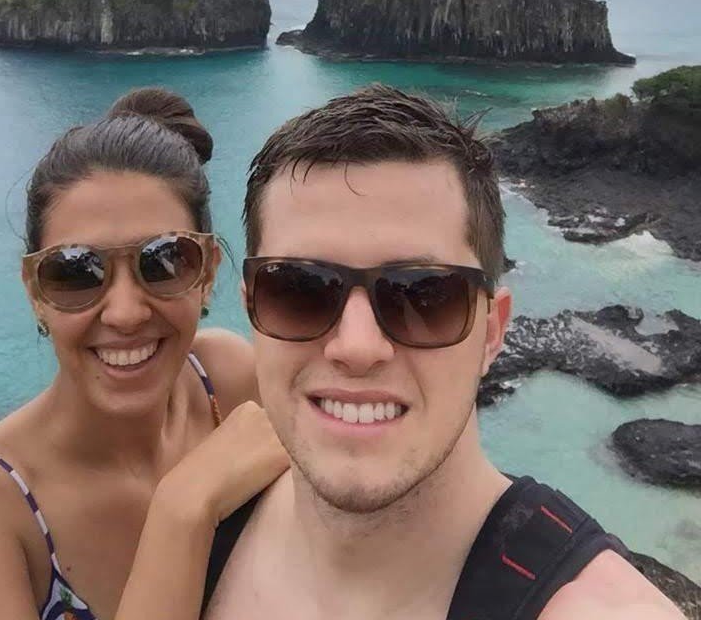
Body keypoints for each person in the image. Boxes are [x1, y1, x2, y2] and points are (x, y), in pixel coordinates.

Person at [202, 84, 684, 619]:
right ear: (252, 309)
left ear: (492, 332)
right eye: (299, 289)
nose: (357, 346)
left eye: (424, 294)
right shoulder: (200, 536)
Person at [0, 87, 288, 620]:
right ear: (35, 291)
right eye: (75, 271)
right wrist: (183, 510)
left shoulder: (228, 381)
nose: (124, 313)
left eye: (165, 260)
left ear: (208, 272)